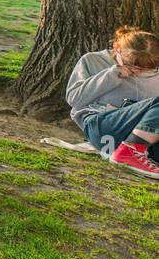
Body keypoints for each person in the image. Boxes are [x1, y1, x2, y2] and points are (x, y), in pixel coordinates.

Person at [65, 27, 159, 178]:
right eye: (131, 65)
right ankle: (129, 152)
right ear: (117, 48)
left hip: (146, 138)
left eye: (146, 69)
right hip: (103, 127)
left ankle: (134, 151)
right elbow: (74, 99)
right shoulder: (93, 60)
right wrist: (112, 74)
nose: (138, 72)